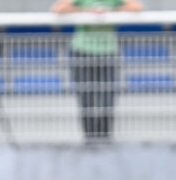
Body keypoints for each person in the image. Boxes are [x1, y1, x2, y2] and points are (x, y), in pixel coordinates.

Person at [51, 0, 144, 143]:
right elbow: (59, 8)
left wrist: (110, 13)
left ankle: (105, 137)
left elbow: (137, 7)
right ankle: (89, 138)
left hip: (108, 51)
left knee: (108, 99)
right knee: (85, 99)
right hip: (82, 51)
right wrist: (87, 13)